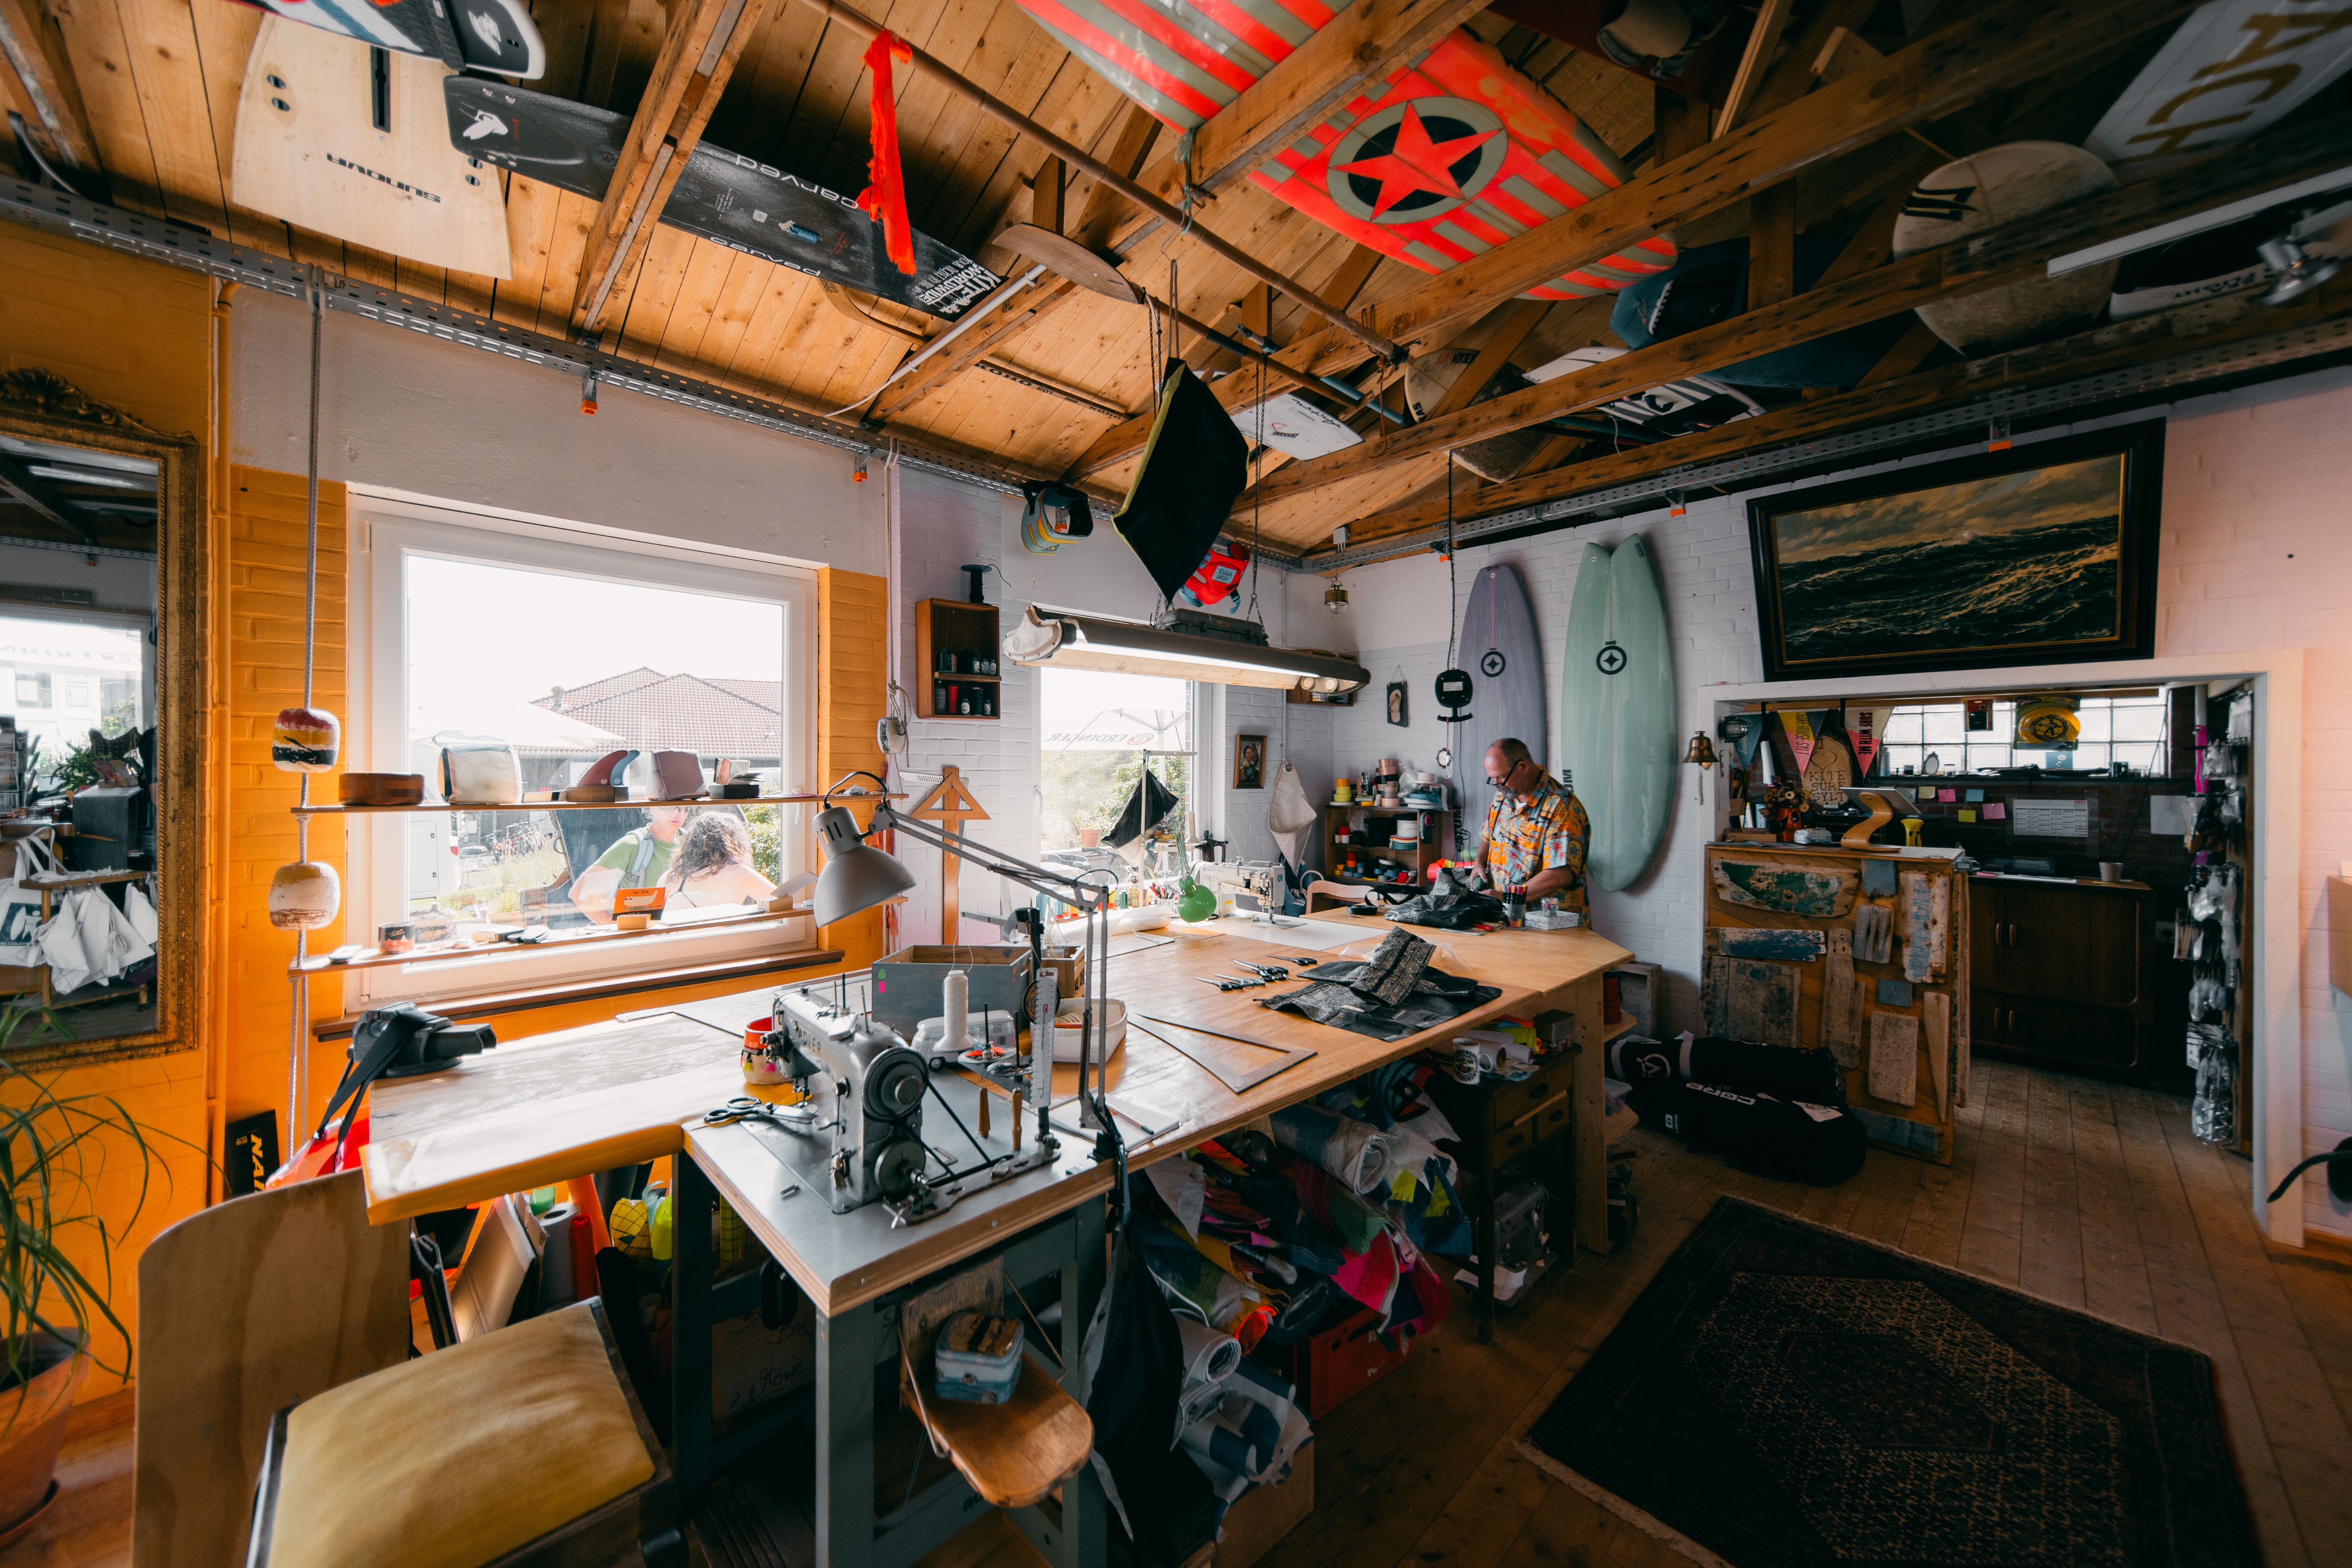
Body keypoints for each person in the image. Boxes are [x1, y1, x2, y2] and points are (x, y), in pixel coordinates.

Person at [1471, 737, 1591, 916]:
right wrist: (1478, 863)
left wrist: (1506, 897)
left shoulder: (1561, 807)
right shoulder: (1504, 795)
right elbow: (1488, 837)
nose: (1497, 784)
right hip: (1507, 916)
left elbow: (1559, 875)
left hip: (1549, 923)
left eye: (1502, 777)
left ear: (1523, 767)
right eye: (1492, 778)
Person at [568, 804, 688, 924]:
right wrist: (617, 927)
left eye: (684, 807)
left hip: (684, 936)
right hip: (646, 940)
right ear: (653, 808)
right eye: (668, 807)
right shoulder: (632, 845)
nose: (677, 814)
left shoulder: (690, 842)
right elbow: (580, 893)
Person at [662, 811, 775, 911]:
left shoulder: (668, 878)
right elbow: (785, 902)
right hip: (721, 935)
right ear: (733, 843)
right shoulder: (740, 874)